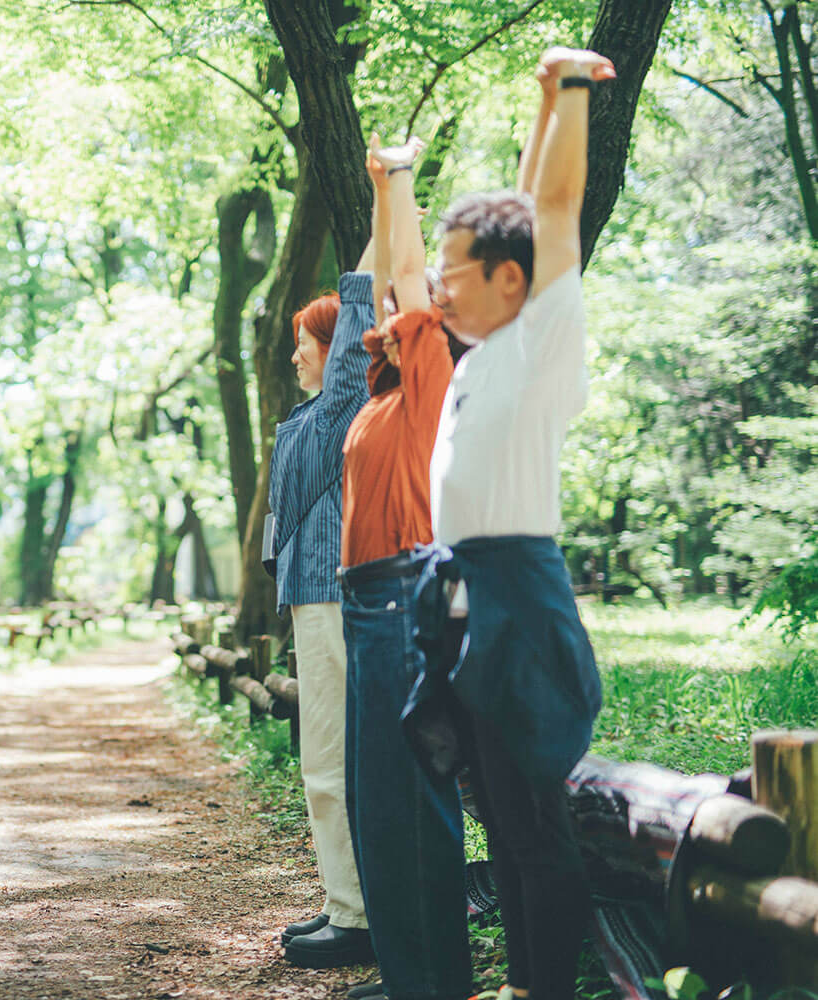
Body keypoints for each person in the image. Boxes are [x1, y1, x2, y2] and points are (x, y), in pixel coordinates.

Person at [421, 48, 615, 1000]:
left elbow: (554, 212)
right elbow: (523, 210)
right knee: (502, 826)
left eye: (450, 270)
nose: (436, 285)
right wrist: (540, 103)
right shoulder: (478, 359)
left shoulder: (539, 340)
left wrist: (570, 88)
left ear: (508, 280)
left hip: (518, 608)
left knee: (535, 833)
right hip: (466, 607)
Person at [339, 135, 471, 1000]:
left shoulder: (429, 371)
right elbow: (377, 282)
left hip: (400, 601)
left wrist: (400, 178)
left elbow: (407, 276)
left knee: (413, 805)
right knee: (374, 803)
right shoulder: (378, 389)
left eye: (406, 302)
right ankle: (406, 975)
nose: (390, 305)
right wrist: (382, 197)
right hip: (365, 608)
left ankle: (434, 983)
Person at [267, 251, 375, 968]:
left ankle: (358, 917)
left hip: (332, 600)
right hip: (314, 599)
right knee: (323, 760)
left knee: (331, 761)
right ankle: (345, 901)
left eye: (306, 343)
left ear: (335, 352)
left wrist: (381, 203)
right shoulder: (310, 416)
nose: (296, 354)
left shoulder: (340, 405)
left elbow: (359, 310)